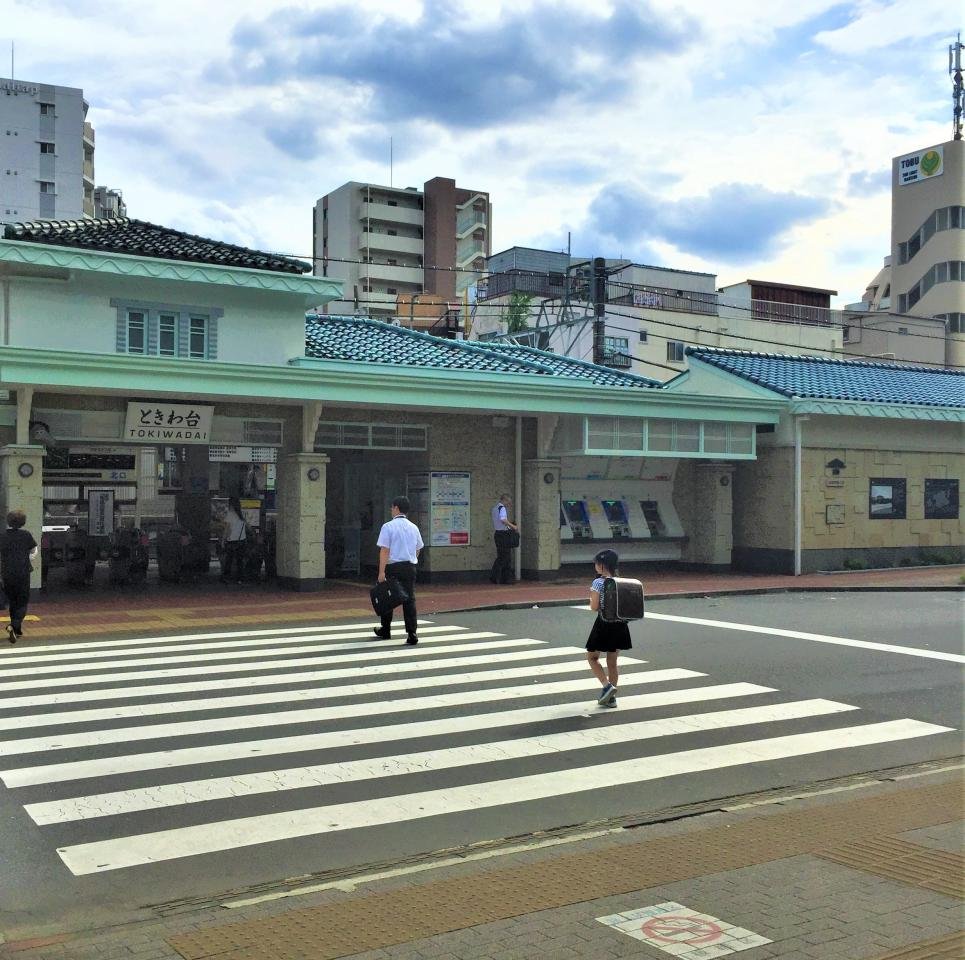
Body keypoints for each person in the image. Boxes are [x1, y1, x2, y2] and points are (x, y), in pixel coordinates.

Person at [373, 496, 423, 645]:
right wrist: (413, 559)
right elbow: (419, 548)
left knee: (387, 598)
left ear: (396, 508)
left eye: (392, 507)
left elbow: (384, 550)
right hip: (409, 566)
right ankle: (412, 632)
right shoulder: (413, 527)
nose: (391, 510)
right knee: (409, 599)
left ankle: (386, 629)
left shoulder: (388, 526)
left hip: (393, 566)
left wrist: (381, 572)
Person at [585, 549, 632, 707]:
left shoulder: (598, 583)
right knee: (612, 661)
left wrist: (591, 599)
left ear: (602, 565)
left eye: (596, 563)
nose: (595, 566)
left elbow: (594, 607)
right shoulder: (622, 581)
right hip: (620, 625)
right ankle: (612, 699)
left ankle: (607, 687)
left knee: (592, 657)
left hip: (603, 624)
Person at [0, 509, 38, 643]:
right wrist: (27, 559)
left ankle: (17, 630)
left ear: (9, 521)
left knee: (12, 601)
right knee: (22, 602)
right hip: (23, 573)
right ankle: (14, 626)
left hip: (7, 574)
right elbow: (34, 551)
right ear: (23, 522)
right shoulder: (26, 535)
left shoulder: (2, 536)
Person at [489, 493, 519, 584]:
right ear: (504, 500)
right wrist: (513, 526)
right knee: (505, 557)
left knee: (502, 556)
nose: (509, 504)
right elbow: (503, 520)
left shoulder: (495, 508)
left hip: (498, 534)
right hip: (503, 535)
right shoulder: (502, 508)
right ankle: (501, 578)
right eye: (508, 502)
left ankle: (500, 578)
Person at [220, 497, 247, 584]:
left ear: (231, 504)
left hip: (232, 541)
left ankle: (226, 578)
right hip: (242, 541)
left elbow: (228, 529)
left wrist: (223, 540)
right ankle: (240, 579)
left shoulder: (230, 514)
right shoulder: (242, 514)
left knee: (229, 560)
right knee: (240, 561)